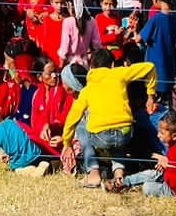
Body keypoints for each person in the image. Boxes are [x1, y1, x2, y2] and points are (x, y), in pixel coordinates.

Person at [61, 48, 157, 191]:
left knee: (81, 124)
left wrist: (67, 142)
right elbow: (150, 67)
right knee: (117, 135)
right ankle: (119, 175)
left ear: (91, 67)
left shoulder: (88, 88)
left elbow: (72, 118)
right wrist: (151, 96)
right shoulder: (120, 73)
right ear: (112, 65)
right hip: (125, 133)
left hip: (102, 136)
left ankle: (93, 173)